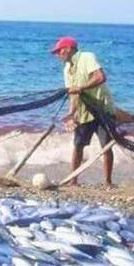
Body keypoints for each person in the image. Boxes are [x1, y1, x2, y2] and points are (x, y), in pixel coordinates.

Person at [51, 36, 115, 186]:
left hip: (102, 109)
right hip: (84, 111)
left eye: (59, 51)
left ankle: (108, 182)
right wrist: (71, 113)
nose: (57, 55)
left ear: (68, 49)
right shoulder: (67, 69)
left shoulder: (87, 57)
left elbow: (100, 77)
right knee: (78, 145)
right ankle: (73, 180)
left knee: (106, 145)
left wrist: (82, 88)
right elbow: (73, 93)